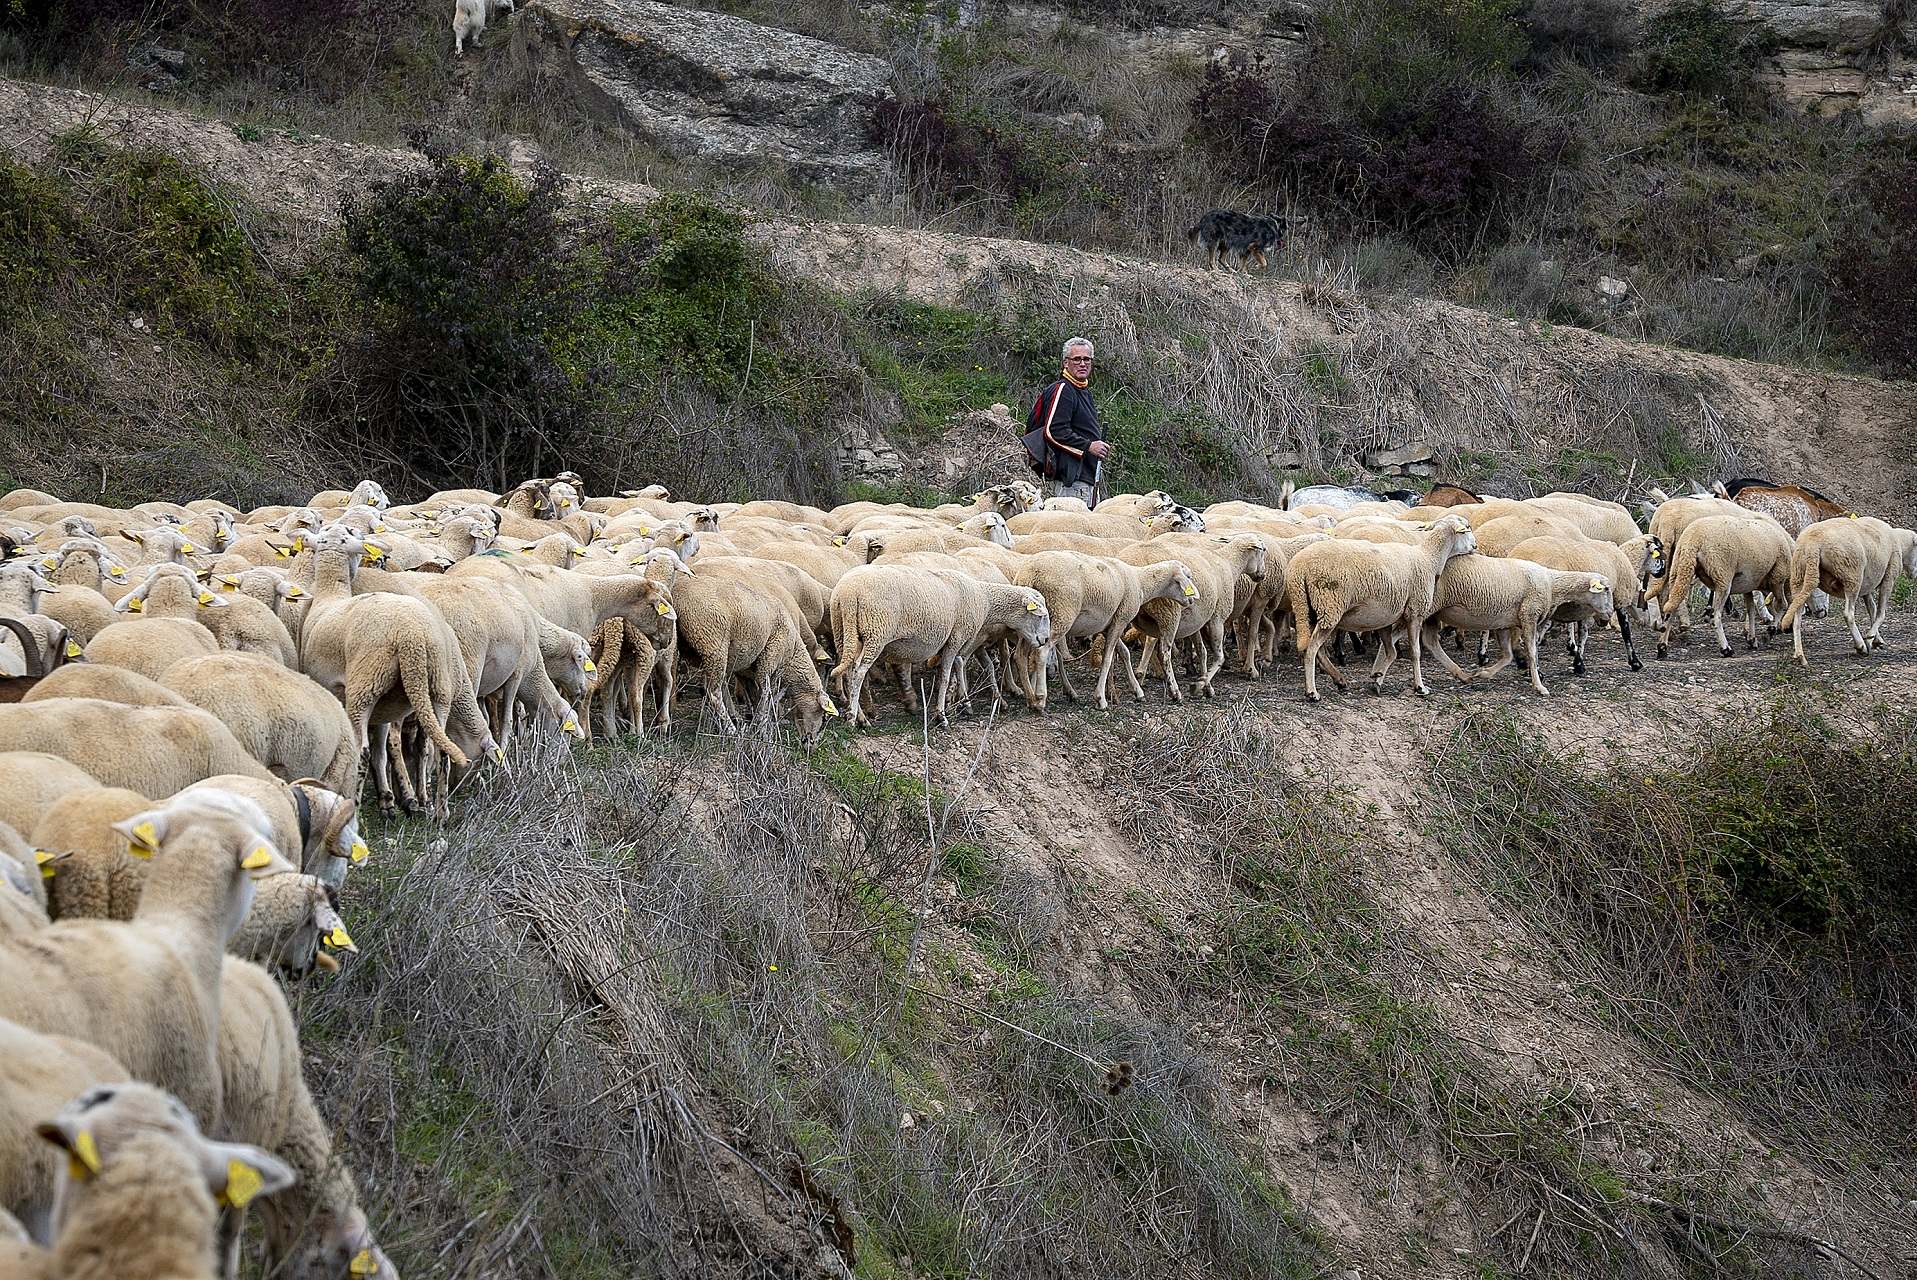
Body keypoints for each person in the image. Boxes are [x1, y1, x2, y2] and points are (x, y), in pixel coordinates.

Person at [1028, 337, 1110, 505]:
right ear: (1066, 362)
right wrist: (1089, 446)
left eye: (1087, 359)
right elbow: (1054, 431)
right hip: (1071, 479)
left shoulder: (1082, 390)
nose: (1082, 364)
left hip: (1084, 478)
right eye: (1077, 359)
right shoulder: (1064, 389)